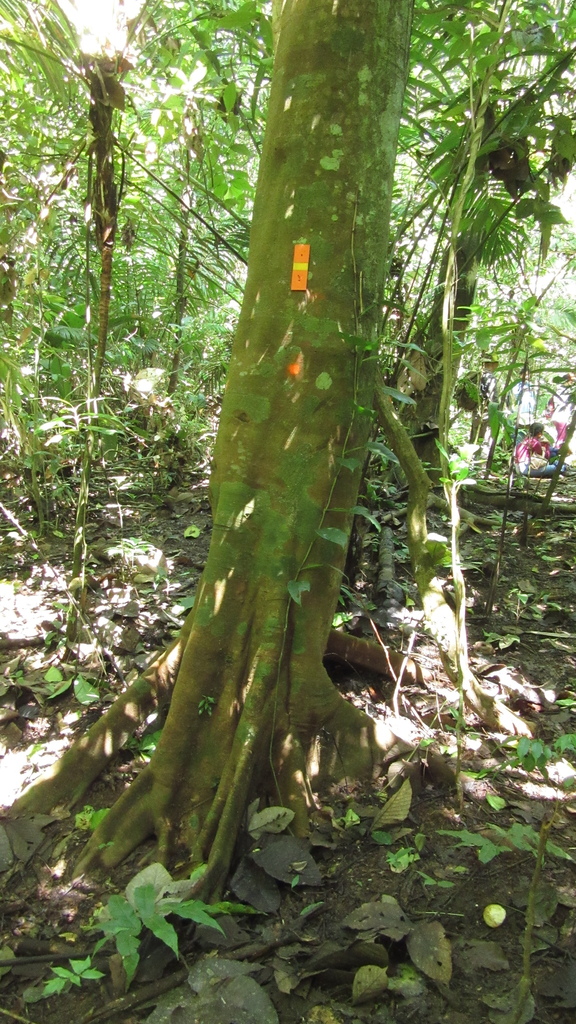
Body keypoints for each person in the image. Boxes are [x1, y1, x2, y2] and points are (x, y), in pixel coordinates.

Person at [545, 373, 575, 447]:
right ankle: (557, 450)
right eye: (571, 381)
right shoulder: (564, 392)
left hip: (559, 416)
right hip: (561, 416)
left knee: (561, 435)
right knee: (561, 436)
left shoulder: (559, 390)